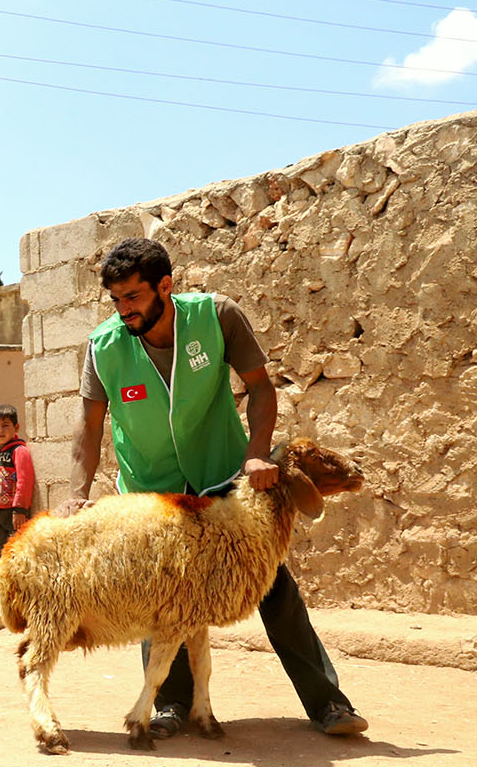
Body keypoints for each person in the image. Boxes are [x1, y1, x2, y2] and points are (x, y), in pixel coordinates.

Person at [64, 236, 368, 738]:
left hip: (223, 479)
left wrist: (256, 453)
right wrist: (78, 491)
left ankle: (328, 703)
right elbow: (89, 426)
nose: (124, 310)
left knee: (273, 588)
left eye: (133, 297)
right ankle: (169, 705)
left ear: (165, 285)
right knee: (159, 594)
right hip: (151, 492)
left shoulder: (216, 316)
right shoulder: (105, 347)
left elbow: (261, 387)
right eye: (115, 300)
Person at [0, 403, 35, 580]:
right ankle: (1, 594)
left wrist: (19, 509)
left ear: (16, 427)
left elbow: (24, 480)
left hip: (14, 513)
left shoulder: (19, 451)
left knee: (18, 552)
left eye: (5, 425)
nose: (0, 430)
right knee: (0, 554)